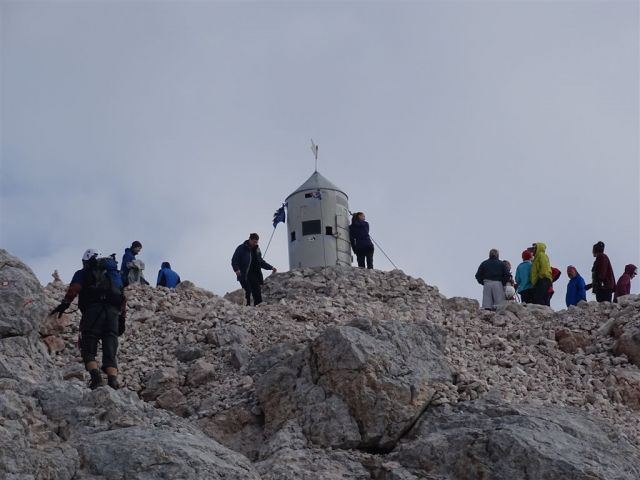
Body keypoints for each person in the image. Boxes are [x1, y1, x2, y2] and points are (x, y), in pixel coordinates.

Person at [50, 249, 126, 390]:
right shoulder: (114, 274)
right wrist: (122, 320)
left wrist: (65, 304)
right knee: (110, 348)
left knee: (88, 347)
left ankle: (96, 378)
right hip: (113, 314)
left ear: (86, 261)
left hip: (93, 312)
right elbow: (122, 297)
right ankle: (113, 381)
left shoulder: (83, 273)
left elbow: (74, 288)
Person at [231, 233, 277, 306]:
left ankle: (259, 308)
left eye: (256, 242)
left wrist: (271, 267)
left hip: (255, 274)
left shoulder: (257, 250)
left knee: (257, 291)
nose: (255, 243)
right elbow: (234, 260)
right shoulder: (241, 248)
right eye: (254, 242)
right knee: (247, 291)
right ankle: (247, 308)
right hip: (244, 274)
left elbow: (261, 262)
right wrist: (236, 269)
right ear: (250, 239)